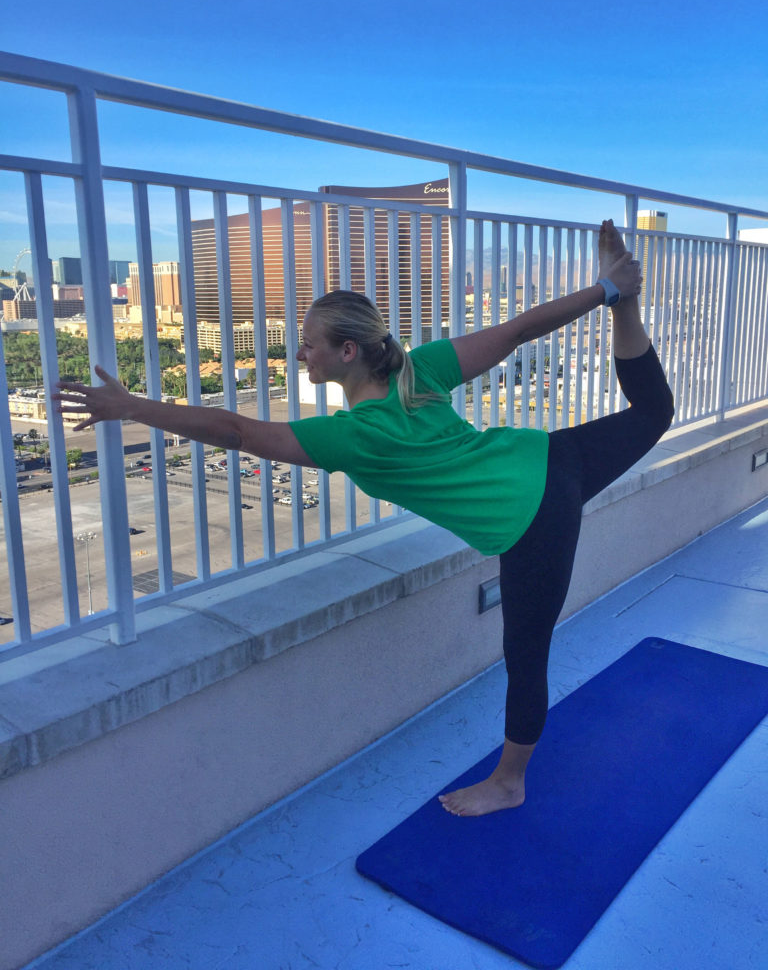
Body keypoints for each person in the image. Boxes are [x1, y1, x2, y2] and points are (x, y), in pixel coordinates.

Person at [53, 219, 674, 817]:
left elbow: (236, 429)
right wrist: (606, 291)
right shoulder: (418, 369)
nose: (301, 353)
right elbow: (514, 332)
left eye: (310, 344)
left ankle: (510, 784)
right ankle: (626, 305)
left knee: (526, 654)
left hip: (532, 518)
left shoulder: (353, 435)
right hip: (550, 458)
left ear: (347, 351)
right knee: (654, 411)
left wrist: (132, 406)